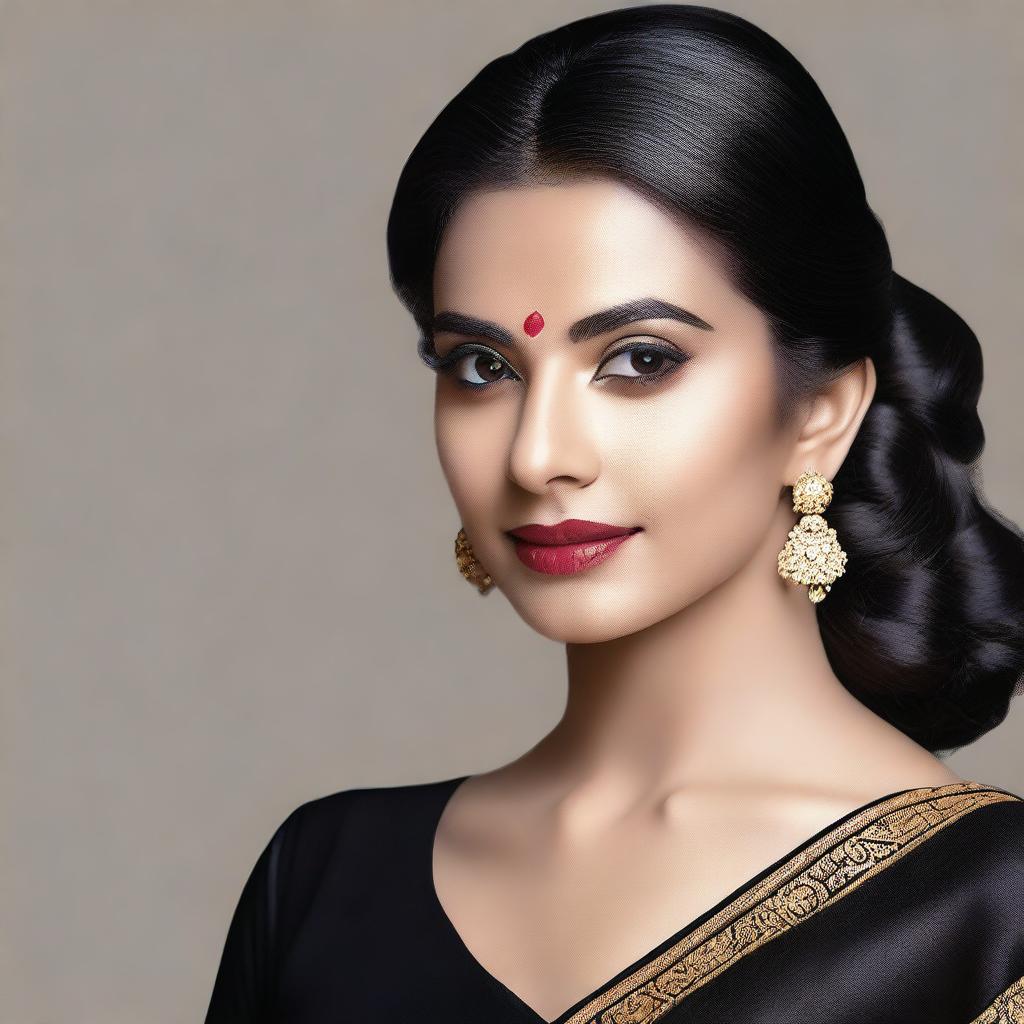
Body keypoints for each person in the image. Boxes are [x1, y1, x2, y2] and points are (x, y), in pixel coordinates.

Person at [204, 6, 1024, 1021]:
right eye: (483, 366)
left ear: (820, 413)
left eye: (638, 360)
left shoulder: (989, 913)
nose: (538, 452)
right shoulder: (322, 882)